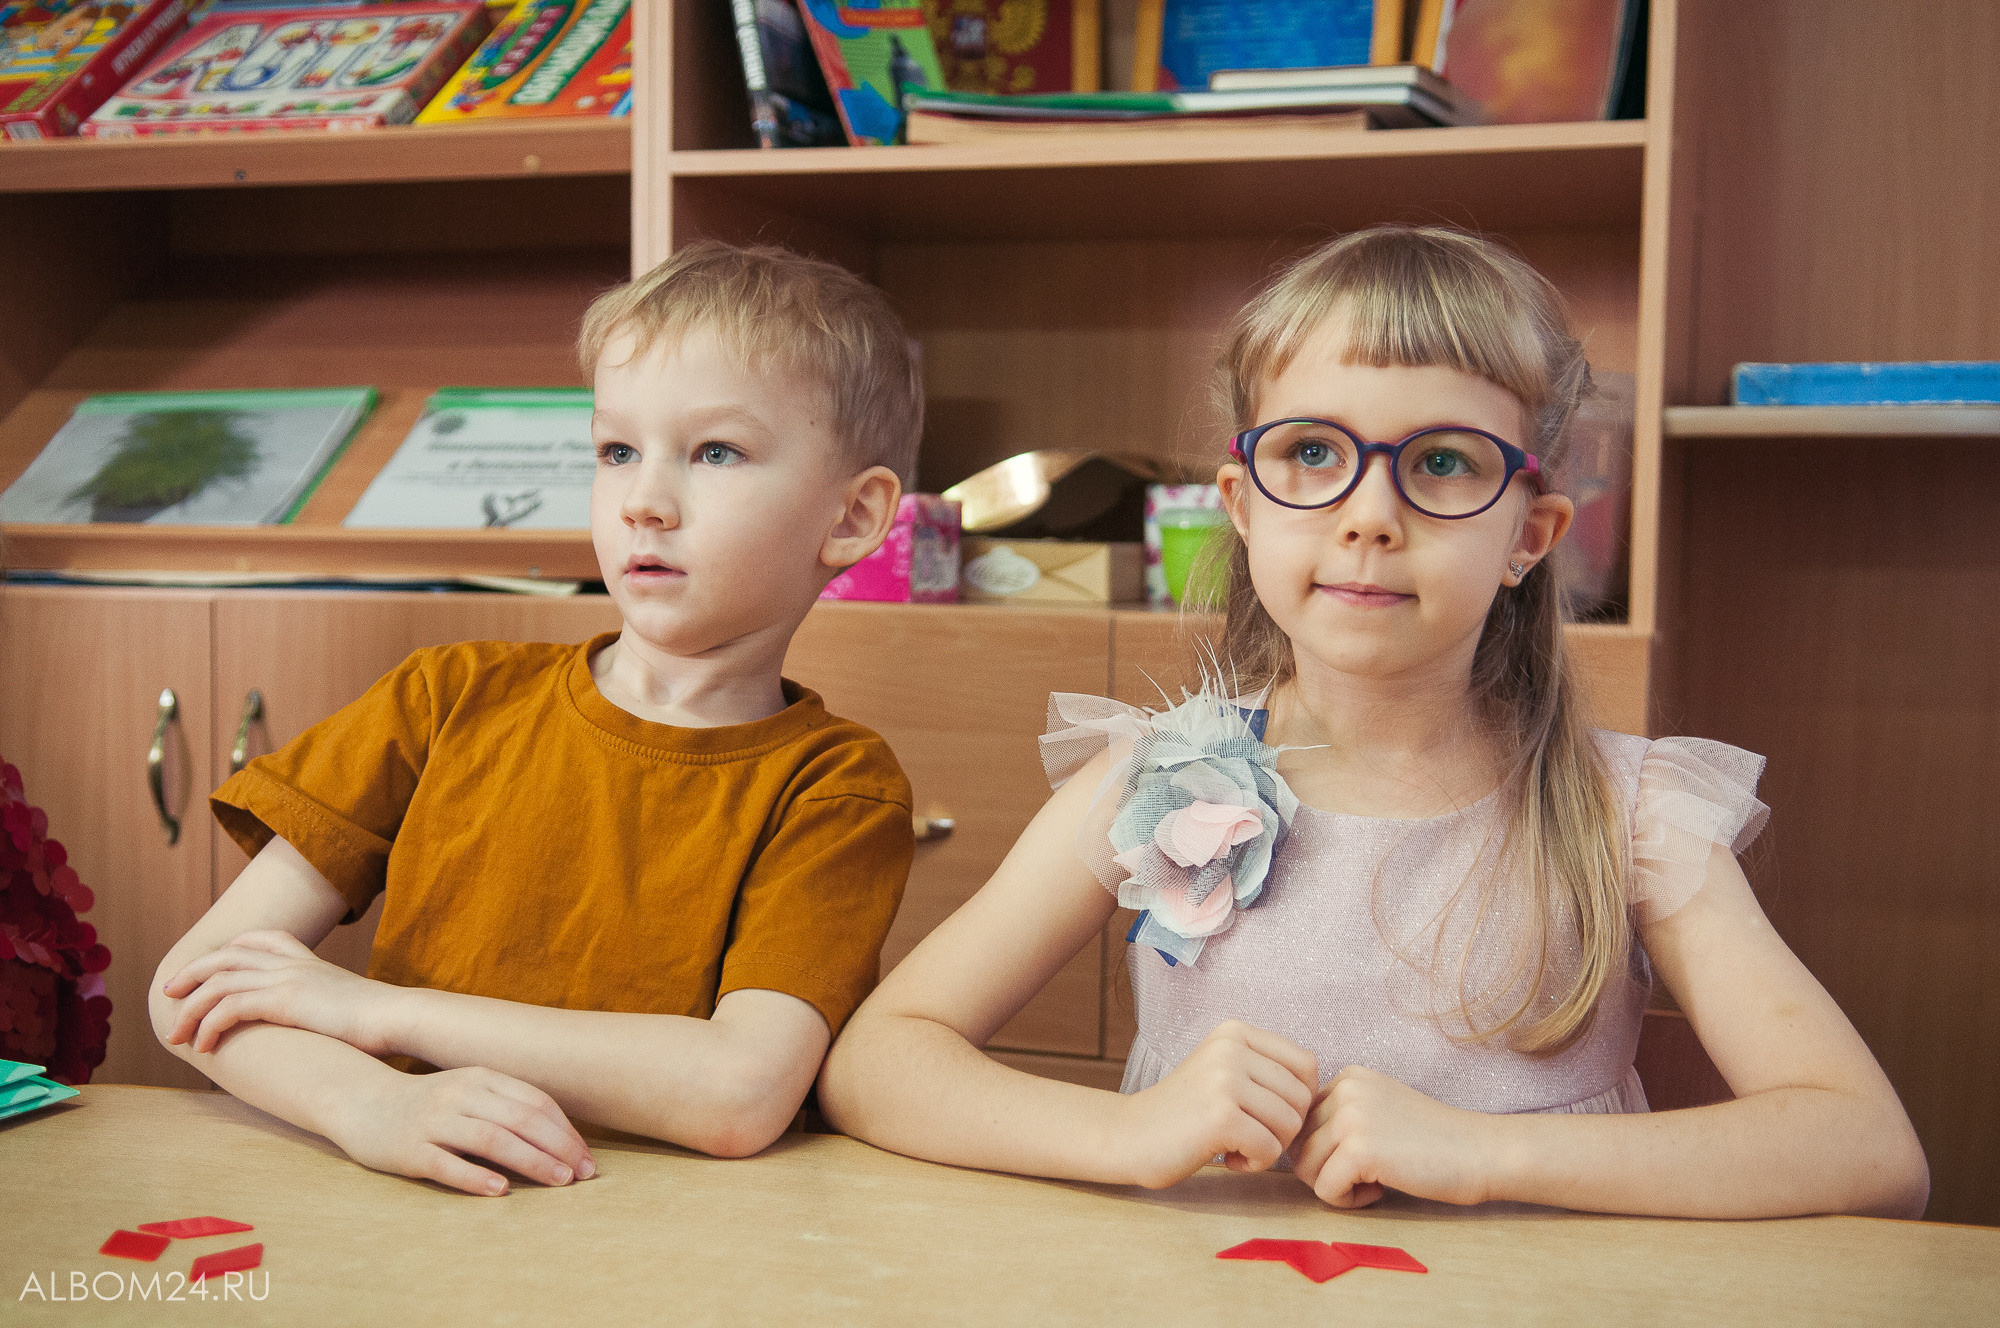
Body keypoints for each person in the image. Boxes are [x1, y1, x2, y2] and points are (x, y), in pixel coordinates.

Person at [818, 225, 1930, 1219]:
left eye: (1441, 463)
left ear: (1528, 536)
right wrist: (1123, 1131)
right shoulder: (1151, 777)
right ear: (1242, 504)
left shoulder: (1627, 814)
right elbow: (878, 1061)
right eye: (1311, 453)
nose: (1367, 515)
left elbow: (1863, 1144)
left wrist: (1484, 1152)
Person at [151, 241, 922, 1196]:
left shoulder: (839, 789)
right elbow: (193, 990)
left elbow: (739, 1093)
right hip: (401, 1212)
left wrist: (379, 1013)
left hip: (675, 1243)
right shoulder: (444, 699)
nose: (644, 501)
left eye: (716, 451)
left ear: (851, 519)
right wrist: (372, 1106)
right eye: (617, 451)